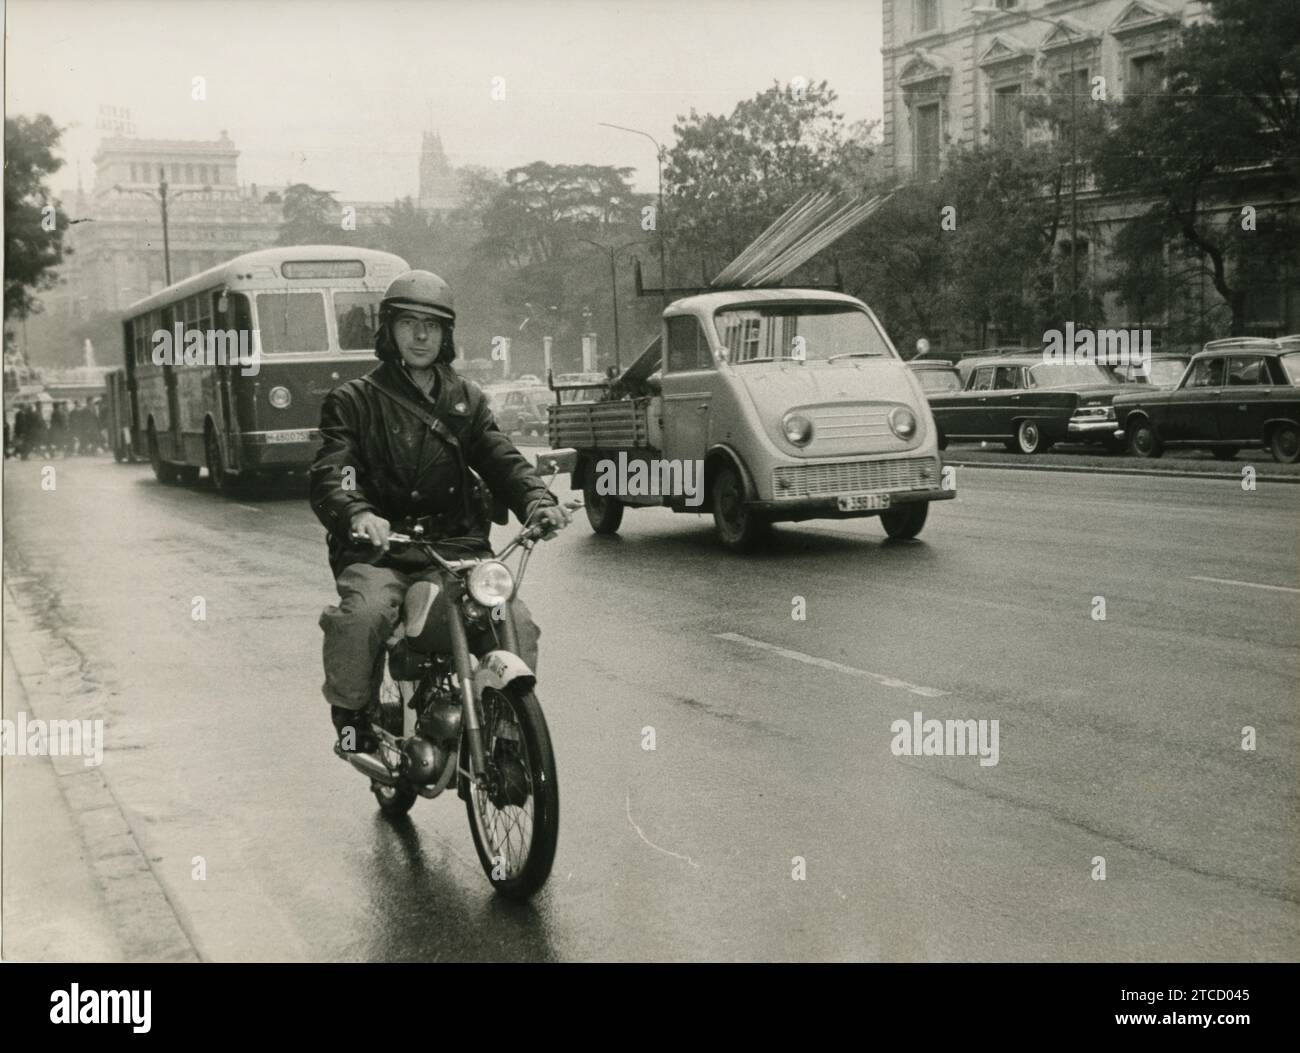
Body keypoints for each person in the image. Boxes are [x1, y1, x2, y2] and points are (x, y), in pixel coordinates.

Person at [309, 270, 571, 754]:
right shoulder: (353, 401)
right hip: (383, 551)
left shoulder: (465, 400)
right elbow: (334, 471)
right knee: (363, 615)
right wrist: (358, 513)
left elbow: (501, 457)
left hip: (456, 548)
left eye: (432, 324)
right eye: (408, 323)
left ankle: (510, 741)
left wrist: (538, 501)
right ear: (388, 330)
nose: (421, 335)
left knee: (514, 618)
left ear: (447, 333)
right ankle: (351, 717)